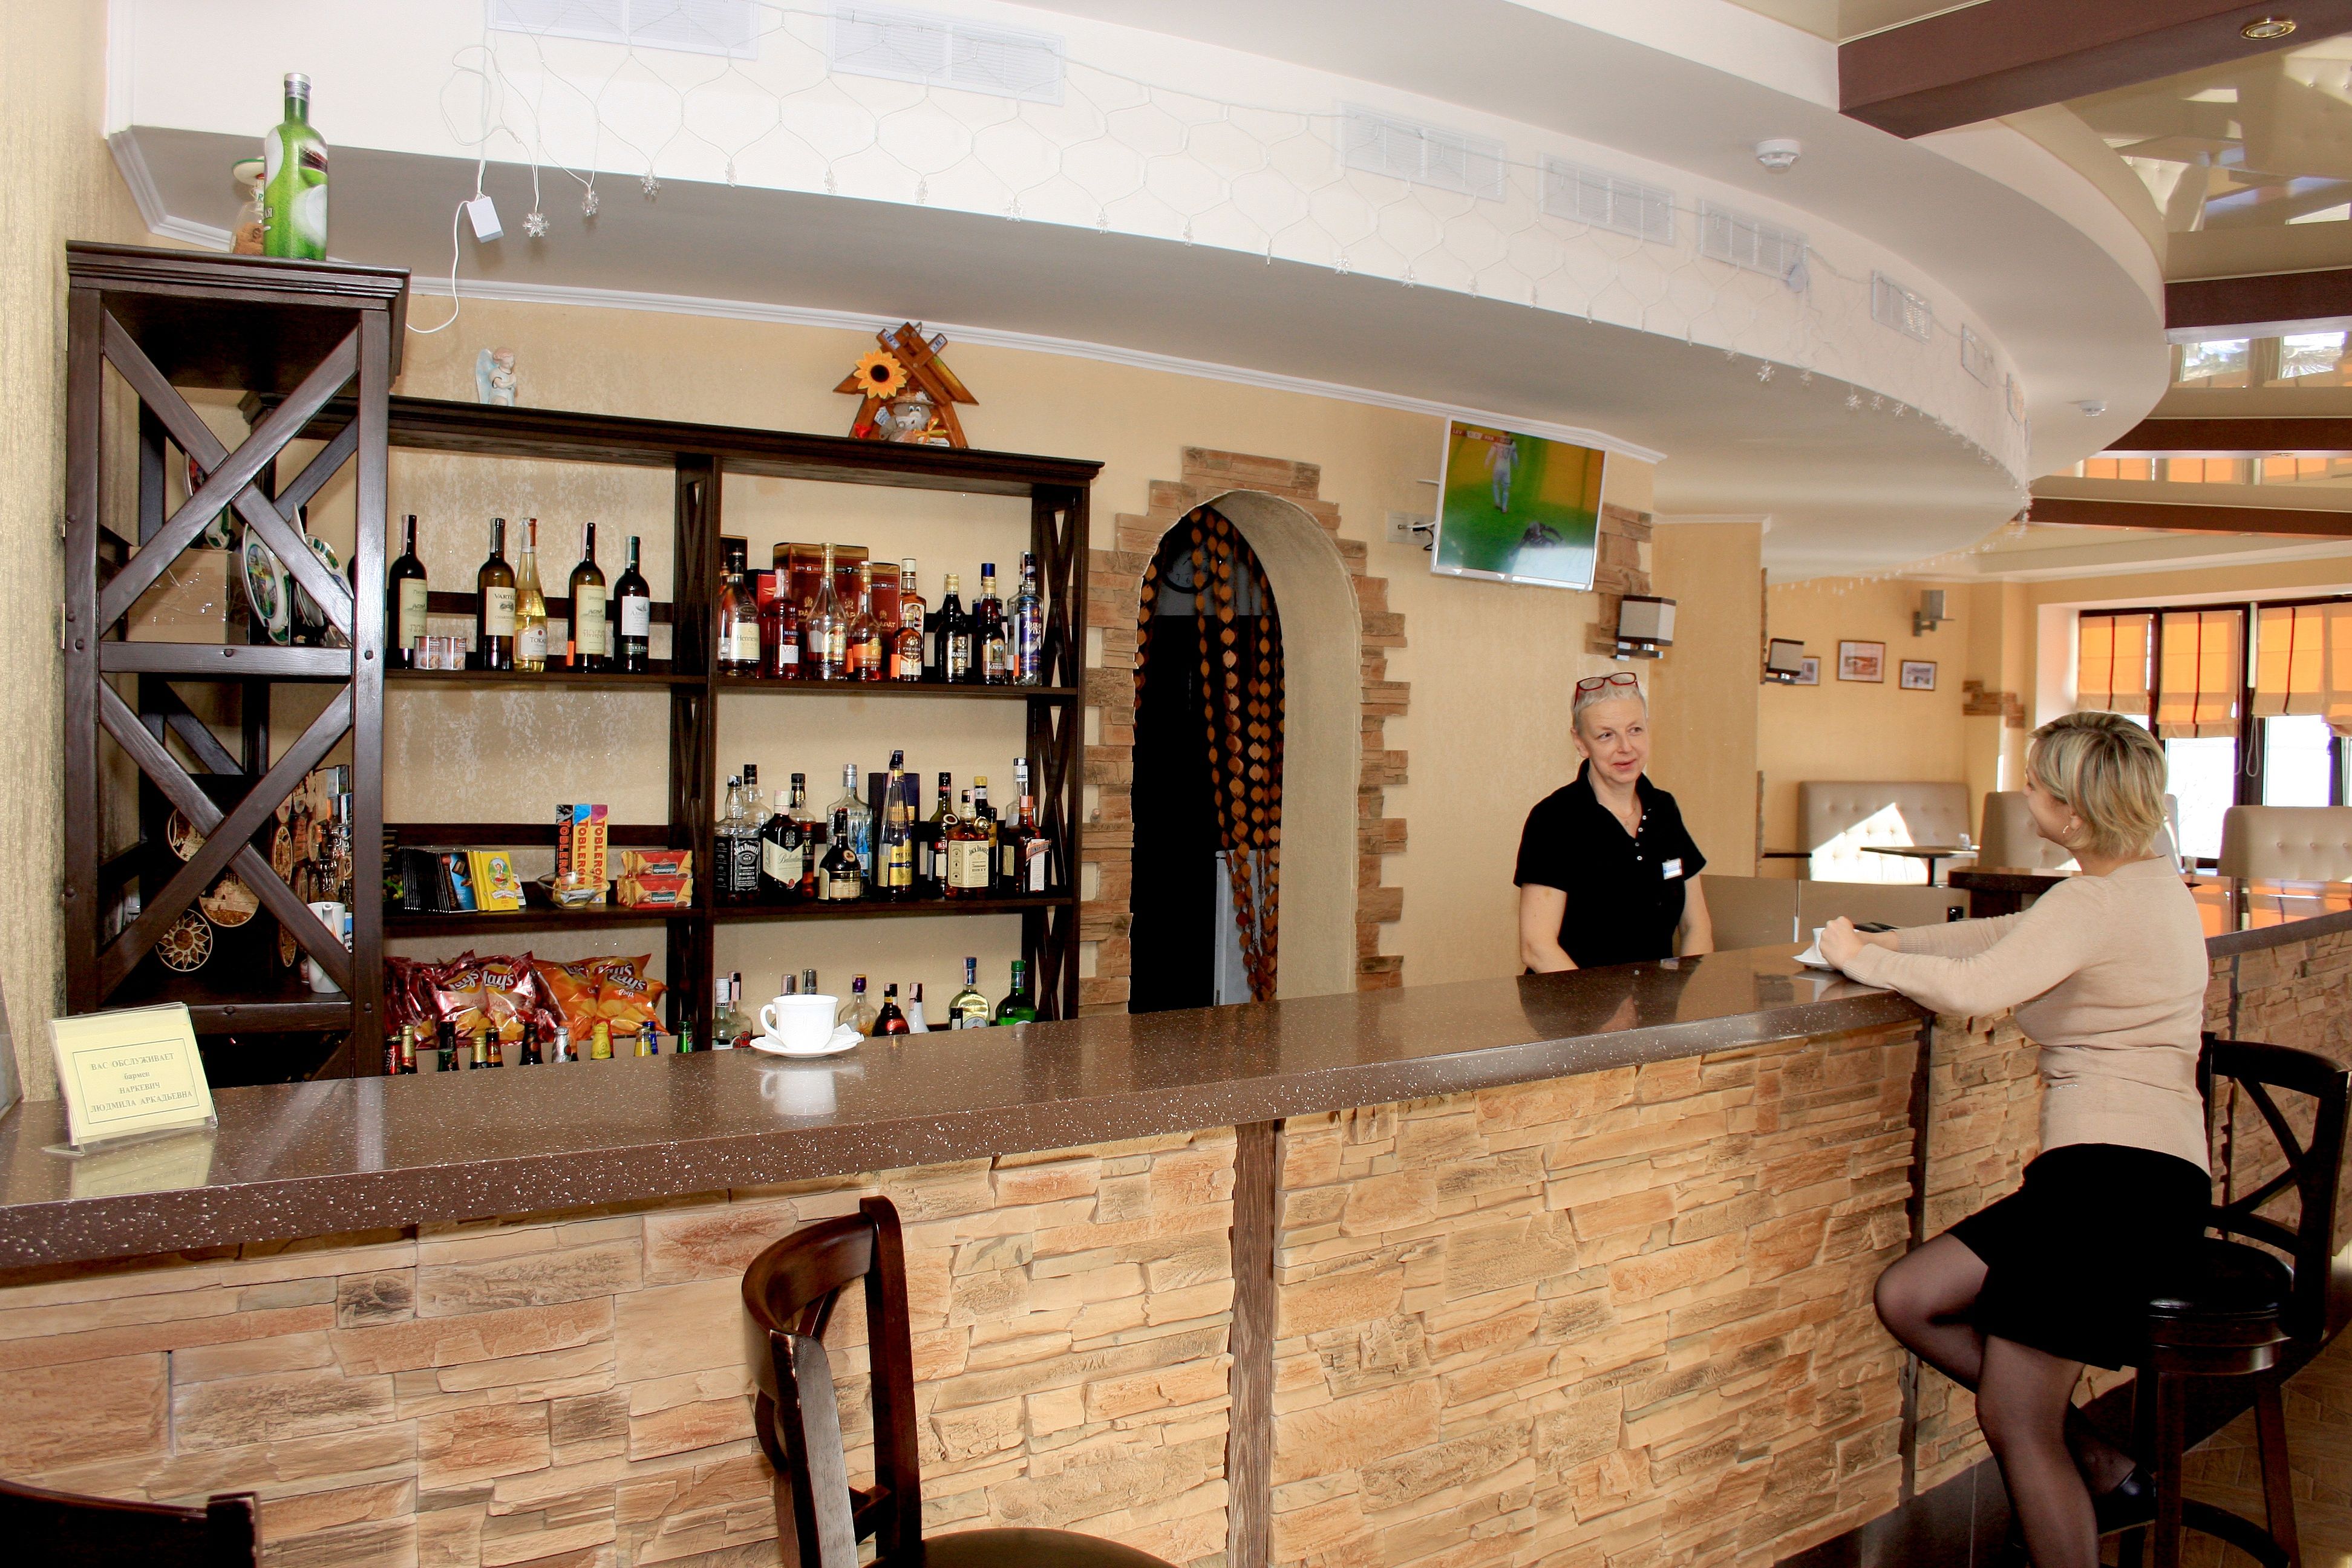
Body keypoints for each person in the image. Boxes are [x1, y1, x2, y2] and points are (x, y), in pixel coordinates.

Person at [1818, 712, 2208, 1567]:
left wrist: (1864, 961)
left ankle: (2089, 1496)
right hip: (2122, 1179)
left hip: (2118, 1192)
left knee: (2014, 1418)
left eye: (2035, 786)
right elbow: (2005, 937)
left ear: (2073, 810)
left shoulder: (2098, 902)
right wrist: (1884, 942)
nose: (2025, 797)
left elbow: (1978, 987)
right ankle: (2104, 1468)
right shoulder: (2143, 882)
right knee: (1911, 1296)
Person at [1515, 671, 1713, 971]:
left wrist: (1685, 994)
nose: (1626, 747)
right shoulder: (1555, 818)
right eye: (1606, 735)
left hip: (1655, 998)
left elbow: (1696, 927)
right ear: (1581, 743)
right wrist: (1599, 1002)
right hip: (1572, 998)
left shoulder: (1664, 809)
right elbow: (1537, 948)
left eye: (1635, 730)